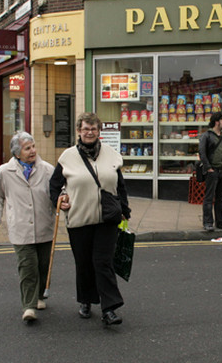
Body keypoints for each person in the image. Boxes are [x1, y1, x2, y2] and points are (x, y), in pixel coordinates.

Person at [50, 112, 131, 326]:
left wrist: (125, 210)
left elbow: (119, 185)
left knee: (103, 262)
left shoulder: (111, 155)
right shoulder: (67, 157)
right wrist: (59, 200)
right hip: (79, 218)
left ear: (99, 131)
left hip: (107, 218)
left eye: (94, 129)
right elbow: (54, 185)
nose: (89, 132)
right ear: (79, 131)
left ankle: (109, 309)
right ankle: (86, 300)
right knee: (84, 263)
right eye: (86, 129)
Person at [0, 132, 56, 322]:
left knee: (43, 266)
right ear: (17, 154)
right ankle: (28, 306)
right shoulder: (4, 172)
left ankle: (40, 295)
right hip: (20, 228)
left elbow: (58, 193)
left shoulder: (48, 170)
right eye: (27, 148)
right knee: (27, 268)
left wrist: (64, 204)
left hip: (44, 226)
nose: (33, 150)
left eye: (33, 146)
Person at [198, 112, 222, 231]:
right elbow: (202, 153)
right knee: (209, 198)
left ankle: (220, 222)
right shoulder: (206, 136)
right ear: (217, 122)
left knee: (220, 198)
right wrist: (208, 168)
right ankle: (208, 222)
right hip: (212, 171)